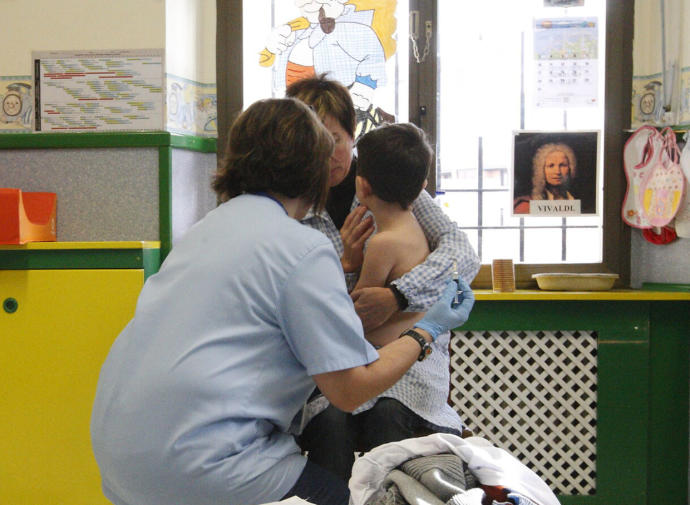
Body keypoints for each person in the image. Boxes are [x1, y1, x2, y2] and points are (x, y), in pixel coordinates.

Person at [89, 97, 475, 505]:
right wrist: (427, 329)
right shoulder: (303, 248)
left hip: (119, 458)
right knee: (358, 495)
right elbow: (350, 388)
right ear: (317, 166)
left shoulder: (205, 229)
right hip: (203, 464)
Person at [286, 75, 481, 482]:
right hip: (330, 360)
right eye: (314, 141)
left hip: (408, 359)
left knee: (393, 414)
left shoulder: (385, 177)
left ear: (352, 136)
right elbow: (300, 302)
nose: (328, 154)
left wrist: (397, 295)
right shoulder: (289, 205)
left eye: (336, 139)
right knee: (329, 423)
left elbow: (462, 254)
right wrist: (343, 265)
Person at [352, 122, 433, 347]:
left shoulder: (383, 243)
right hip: (412, 348)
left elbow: (357, 311)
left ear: (362, 185)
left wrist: (347, 264)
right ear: (422, 186)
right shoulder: (416, 227)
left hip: (386, 361)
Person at [514, 142, 578, 214]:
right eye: (551, 166)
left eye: (562, 165)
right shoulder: (526, 204)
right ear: (541, 169)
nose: (557, 172)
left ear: (570, 168)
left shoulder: (572, 199)